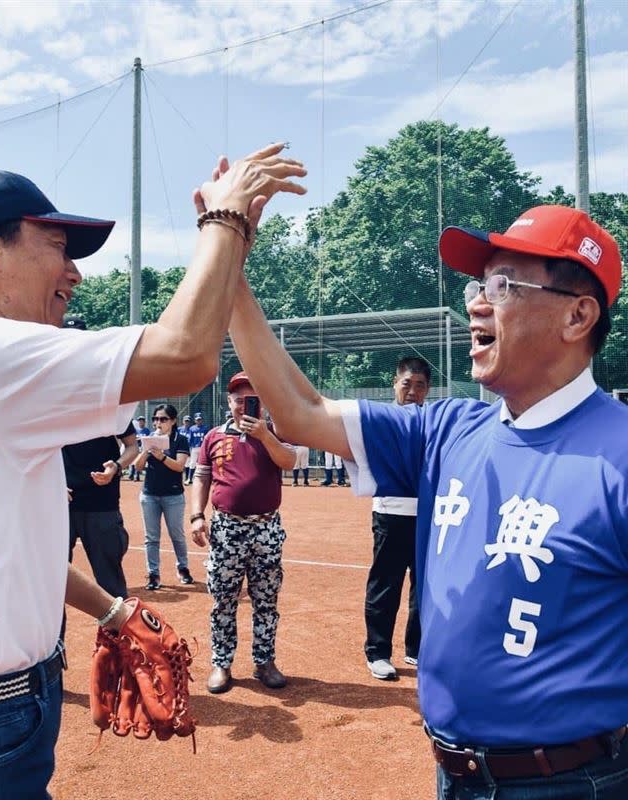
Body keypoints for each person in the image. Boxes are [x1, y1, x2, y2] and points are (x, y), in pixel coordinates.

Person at [0, 146, 307, 798]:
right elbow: (186, 355)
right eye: (58, 246)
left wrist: (113, 609)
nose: (75, 272)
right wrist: (225, 220)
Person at [228, 202, 628, 798]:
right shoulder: (445, 428)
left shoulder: (617, 454)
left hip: (573, 782)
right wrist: (228, 266)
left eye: (503, 284)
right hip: (451, 773)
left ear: (577, 316)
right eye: (477, 283)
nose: (475, 302)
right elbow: (300, 412)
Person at [190, 371, 296, 694]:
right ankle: (221, 663)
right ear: (229, 402)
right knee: (223, 598)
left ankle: (264, 662)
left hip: (265, 526)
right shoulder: (213, 437)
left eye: (251, 400)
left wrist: (265, 435)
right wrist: (197, 515)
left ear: (261, 403)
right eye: (238, 399)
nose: (243, 405)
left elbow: (289, 462)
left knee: (266, 597)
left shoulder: (275, 432)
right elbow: (201, 478)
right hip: (226, 528)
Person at [61, 316, 139, 599]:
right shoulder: (50, 394)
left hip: (102, 504)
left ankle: (118, 641)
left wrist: (116, 466)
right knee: (52, 584)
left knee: (111, 585)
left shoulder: (106, 395)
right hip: (59, 503)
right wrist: (51, 482)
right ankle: (54, 644)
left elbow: (132, 446)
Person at [364, 356, 430, 680]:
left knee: (424, 586)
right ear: (395, 383)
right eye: (407, 384)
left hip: (427, 516)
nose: (413, 391)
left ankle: (416, 648)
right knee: (386, 584)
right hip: (390, 514)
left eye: (420, 386)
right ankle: (377, 652)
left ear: (427, 390)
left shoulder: (432, 423)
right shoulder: (382, 420)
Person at [135, 404, 193, 590]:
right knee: (151, 537)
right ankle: (153, 574)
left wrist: (161, 457)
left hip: (173, 495)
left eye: (163, 419)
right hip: (150, 494)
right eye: (156, 419)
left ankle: (183, 568)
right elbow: (137, 466)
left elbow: (179, 466)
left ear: (173, 421)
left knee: (176, 534)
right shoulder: (148, 439)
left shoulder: (180, 439)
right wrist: (147, 447)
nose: (158, 423)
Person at [184, 411, 207, 485]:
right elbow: (190, 440)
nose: (198, 421)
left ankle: (202, 479)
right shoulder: (192, 428)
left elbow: (207, 439)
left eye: (200, 419)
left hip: (202, 448)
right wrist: (189, 449)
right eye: (197, 419)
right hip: (194, 448)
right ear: (194, 420)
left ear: (202, 420)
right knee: (192, 463)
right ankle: (190, 479)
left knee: (202, 464)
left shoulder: (205, 428)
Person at [128, 415, 151, 481]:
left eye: (142, 421)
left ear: (144, 422)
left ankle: (136, 476)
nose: (141, 422)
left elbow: (148, 439)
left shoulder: (147, 430)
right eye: (140, 421)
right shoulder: (135, 430)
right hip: (136, 447)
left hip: (143, 448)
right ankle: (131, 475)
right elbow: (133, 438)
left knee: (138, 461)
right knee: (132, 461)